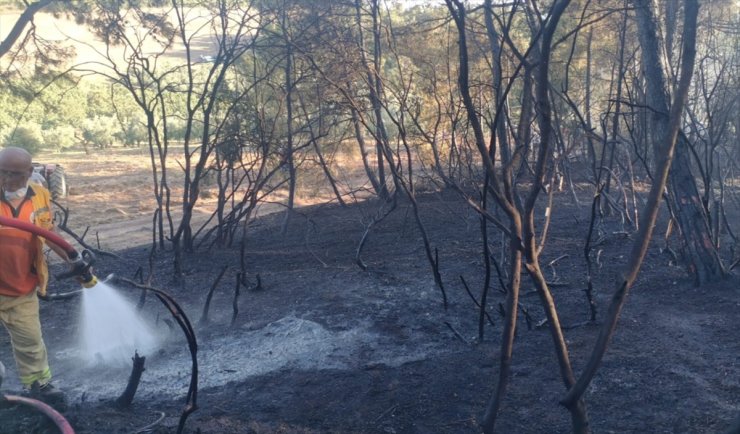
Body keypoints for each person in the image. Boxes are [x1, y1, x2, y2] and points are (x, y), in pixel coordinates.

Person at [0, 146, 68, 406]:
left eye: (14, 174)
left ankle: (39, 385)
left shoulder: (40, 195)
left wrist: (74, 259)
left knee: (30, 342)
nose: (6, 179)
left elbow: (48, 232)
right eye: (1, 172)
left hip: (22, 287)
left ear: (29, 172)